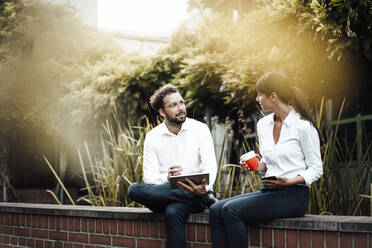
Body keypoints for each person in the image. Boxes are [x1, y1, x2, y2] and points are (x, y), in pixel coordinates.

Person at [208, 72, 323, 248]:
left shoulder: (303, 127)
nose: (258, 99)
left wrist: (291, 180)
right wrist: (256, 165)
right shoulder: (263, 125)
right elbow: (267, 164)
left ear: (274, 97)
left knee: (231, 211)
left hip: (294, 195)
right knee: (215, 210)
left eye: (260, 94)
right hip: (270, 190)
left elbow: (316, 169)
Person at [128, 84, 218, 248]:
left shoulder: (200, 129)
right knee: (133, 189)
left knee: (172, 212)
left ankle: (202, 195)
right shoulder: (153, 137)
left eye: (182, 103)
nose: (181, 108)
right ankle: (204, 198)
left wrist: (205, 188)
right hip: (169, 192)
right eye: (174, 105)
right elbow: (149, 176)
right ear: (162, 112)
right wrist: (167, 178)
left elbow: (210, 165)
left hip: (196, 191)